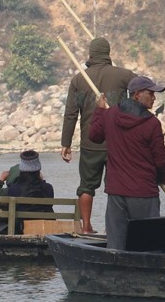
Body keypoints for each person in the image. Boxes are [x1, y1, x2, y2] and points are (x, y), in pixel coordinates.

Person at [61, 37, 136, 234]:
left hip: (90, 142)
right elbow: (140, 88)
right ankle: (118, 228)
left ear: (91, 55)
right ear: (108, 53)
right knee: (117, 186)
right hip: (117, 142)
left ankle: (86, 227)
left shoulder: (79, 79)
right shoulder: (124, 76)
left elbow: (71, 113)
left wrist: (65, 143)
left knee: (86, 186)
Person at [88, 75, 165, 250]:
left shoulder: (109, 115)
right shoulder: (152, 124)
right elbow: (160, 159)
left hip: (117, 191)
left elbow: (94, 136)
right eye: (151, 93)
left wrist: (99, 111)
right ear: (137, 94)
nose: (154, 98)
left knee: (116, 245)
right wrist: (162, 178)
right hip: (144, 193)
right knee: (149, 244)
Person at [6, 150, 55, 234]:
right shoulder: (48, 188)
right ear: (38, 170)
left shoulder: (14, 189)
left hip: (21, 228)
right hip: (46, 227)